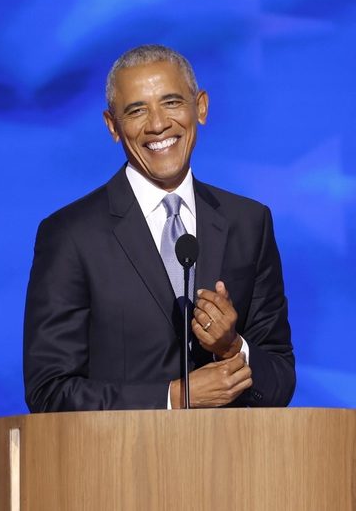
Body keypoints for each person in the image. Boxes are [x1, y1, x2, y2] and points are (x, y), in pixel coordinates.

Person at [23, 44, 295, 411]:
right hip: (119, 465)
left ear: (200, 107)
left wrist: (231, 348)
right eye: (136, 110)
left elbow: (279, 383)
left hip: (232, 463)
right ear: (113, 126)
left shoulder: (249, 222)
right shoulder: (70, 235)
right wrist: (173, 397)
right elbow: (50, 394)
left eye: (171, 103)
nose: (157, 124)